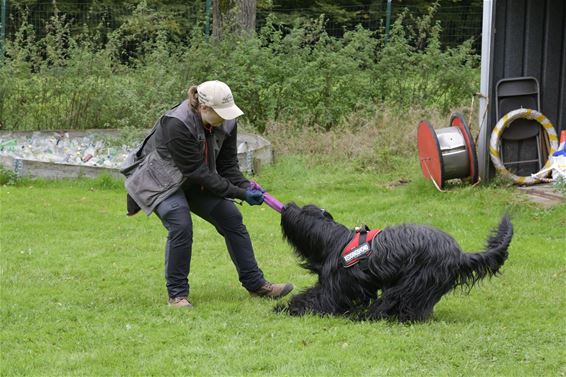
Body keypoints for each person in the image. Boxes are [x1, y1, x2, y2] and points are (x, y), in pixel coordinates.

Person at [121, 80, 293, 308]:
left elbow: (228, 166)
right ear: (204, 108)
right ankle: (177, 296)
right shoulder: (177, 123)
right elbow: (196, 171)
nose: (225, 118)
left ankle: (257, 285)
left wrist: (245, 186)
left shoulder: (228, 122)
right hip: (161, 182)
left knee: (231, 217)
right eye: (220, 113)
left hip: (194, 180)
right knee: (180, 223)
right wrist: (240, 194)